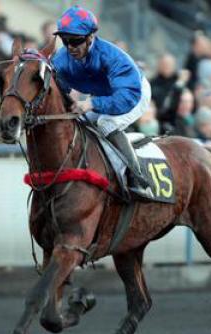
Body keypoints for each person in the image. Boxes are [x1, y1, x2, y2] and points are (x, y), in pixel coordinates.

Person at [52, 5, 153, 197]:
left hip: (134, 93)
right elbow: (57, 88)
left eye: (76, 40)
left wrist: (92, 104)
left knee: (106, 123)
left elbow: (126, 98)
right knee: (79, 123)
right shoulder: (62, 59)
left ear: (91, 37)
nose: (70, 47)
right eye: (65, 41)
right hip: (105, 95)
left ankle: (137, 178)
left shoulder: (113, 58)